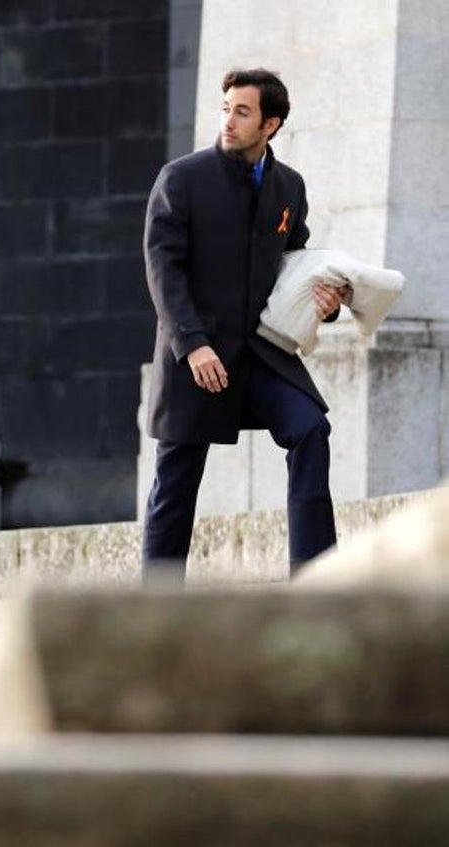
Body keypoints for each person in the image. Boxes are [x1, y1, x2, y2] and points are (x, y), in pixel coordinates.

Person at [141, 68, 344, 583]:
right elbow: (162, 267)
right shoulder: (181, 178)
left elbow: (296, 262)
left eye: (243, 111)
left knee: (310, 429)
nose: (229, 121)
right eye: (226, 108)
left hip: (261, 354)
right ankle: (155, 606)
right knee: (177, 479)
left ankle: (315, 581)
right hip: (198, 354)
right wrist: (192, 346)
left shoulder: (288, 187)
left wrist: (328, 299)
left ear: (270, 124)